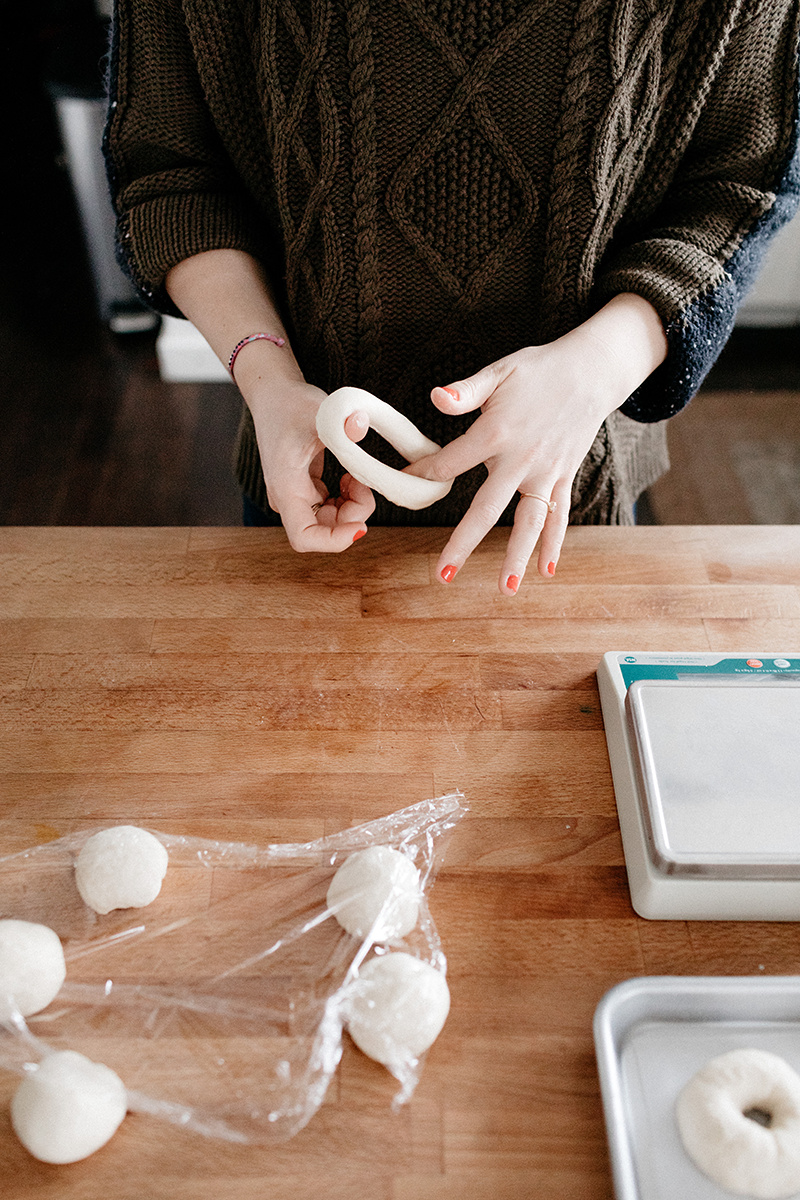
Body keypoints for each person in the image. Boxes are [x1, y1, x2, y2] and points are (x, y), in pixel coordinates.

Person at [104, 0, 799, 593]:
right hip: (307, 485)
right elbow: (172, 176)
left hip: (573, 501)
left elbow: (740, 188)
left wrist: (593, 369)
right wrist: (267, 375)